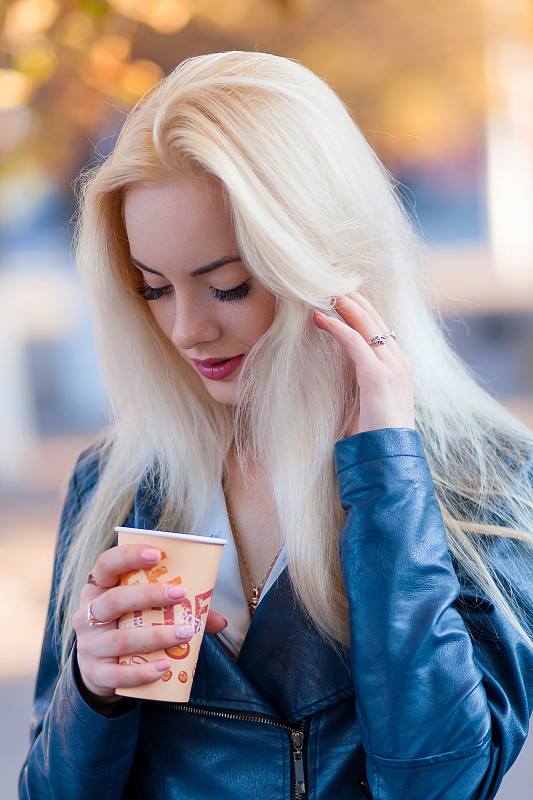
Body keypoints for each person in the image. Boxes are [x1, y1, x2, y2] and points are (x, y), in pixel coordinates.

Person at [20, 51, 533, 800]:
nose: (187, 330)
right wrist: (89, 694)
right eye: (153, 289)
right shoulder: (119, 482)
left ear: (322, 258)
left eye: (227, 285)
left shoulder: (488, 479)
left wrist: (386, 472)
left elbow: (439, 782)